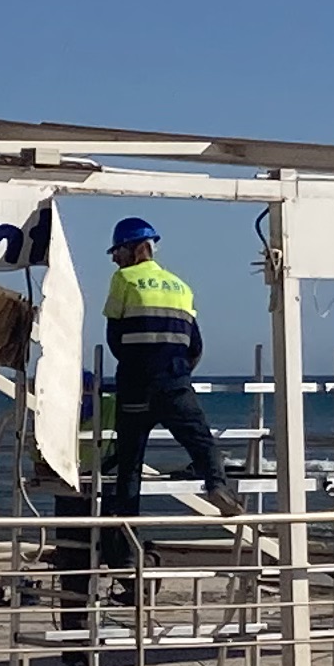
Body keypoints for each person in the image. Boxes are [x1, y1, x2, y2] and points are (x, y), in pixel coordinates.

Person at [99, 219, 245, 518]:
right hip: (175, 382)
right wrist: (177, 373)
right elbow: (196, 346)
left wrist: (135, 366)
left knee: (129, 464)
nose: (115, 259)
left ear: (137, 248)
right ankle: (217, 486)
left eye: (118, 251)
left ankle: (126, 537)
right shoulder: (181, 287)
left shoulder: (124, 279)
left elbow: (114, 337)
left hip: (136, 384)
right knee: (202, 440)